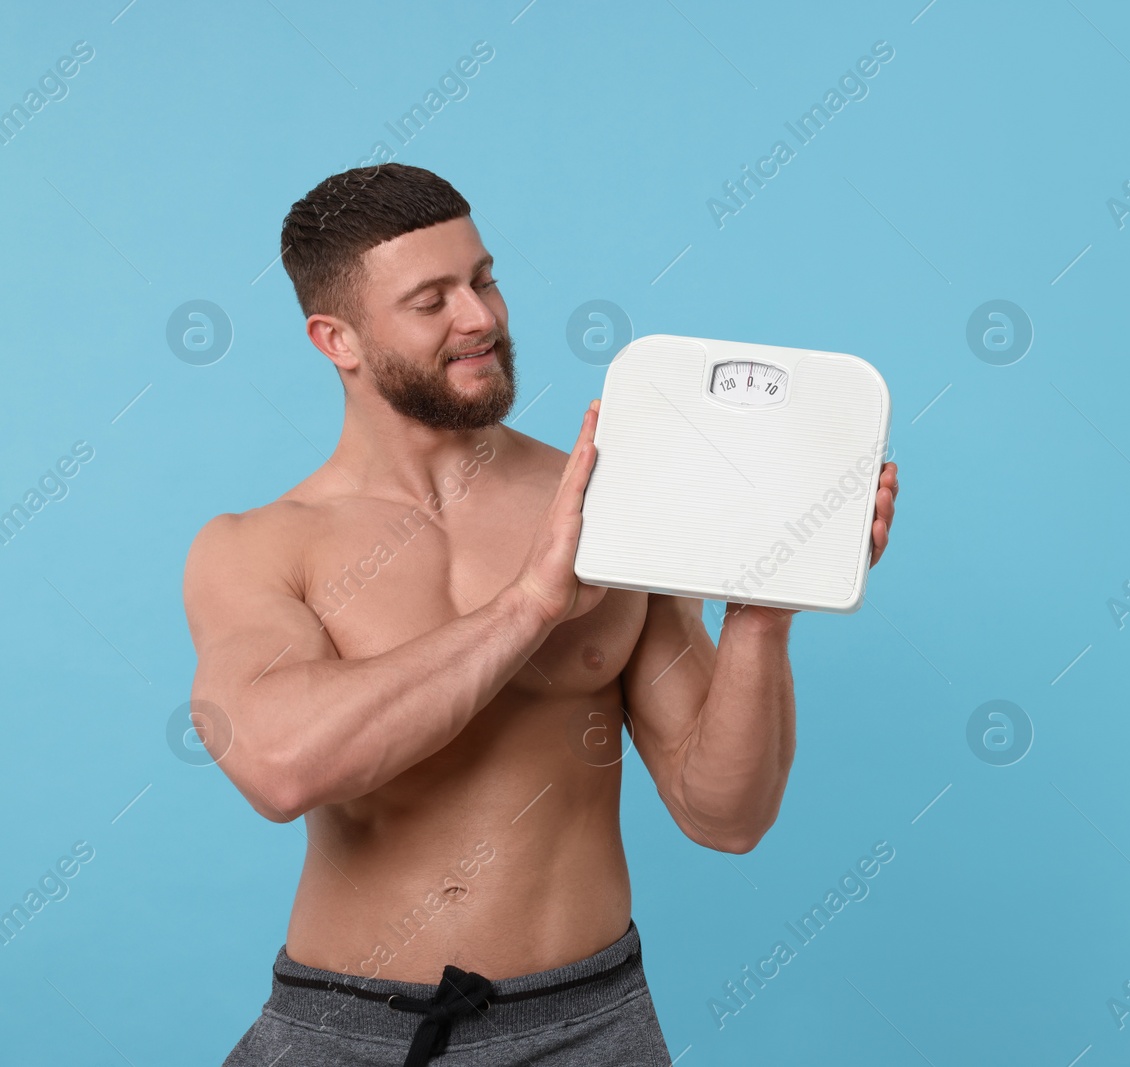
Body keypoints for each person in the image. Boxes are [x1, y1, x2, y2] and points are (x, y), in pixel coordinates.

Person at [184, 163, 899, 1066]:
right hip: (348, 1034)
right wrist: (529, 604)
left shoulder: (613, 503)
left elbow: (727, 815)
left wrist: (762, 607)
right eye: (431, 300)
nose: (481, 316)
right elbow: (281, 770)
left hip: (586, 1027)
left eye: (483, 279)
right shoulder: (258, 546)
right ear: (339, 339)